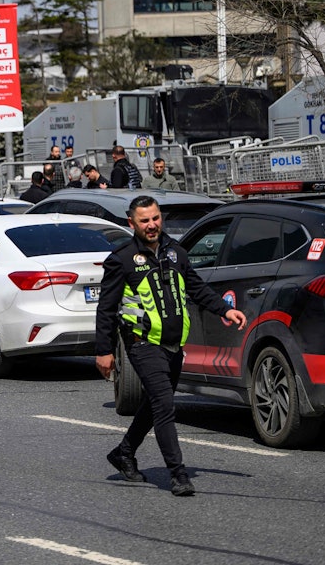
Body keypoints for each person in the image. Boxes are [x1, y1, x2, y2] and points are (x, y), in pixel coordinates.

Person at [95, 196, 246, 497]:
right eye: (144, 221)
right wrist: (104, 350)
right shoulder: (122, 259)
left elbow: (196, 287)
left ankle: (124, 452)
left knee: (154, 404)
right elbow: (106, 308)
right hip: (142, 343)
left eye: (155, 219)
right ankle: (177, 474)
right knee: (164, 405)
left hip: (174, 344)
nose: (151, 225)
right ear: (132, 224)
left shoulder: (176, 252)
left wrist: (224, 310)